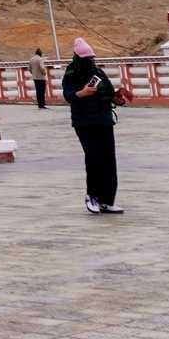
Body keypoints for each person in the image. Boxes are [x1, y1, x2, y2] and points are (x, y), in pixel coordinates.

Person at [62, 39, 122, 214]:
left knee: (109, 160)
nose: (90, 61)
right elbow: (68, 95)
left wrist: (117, 98)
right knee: (94, 157)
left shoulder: (99, 73)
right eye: (86, 58)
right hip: (84, 122)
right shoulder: (71, 73)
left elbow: (109, 92)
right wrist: (83, 93)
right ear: (77, 57)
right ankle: (92, 196)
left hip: (104, 120)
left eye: (92, 57)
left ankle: (108, 200)